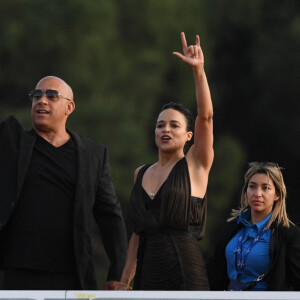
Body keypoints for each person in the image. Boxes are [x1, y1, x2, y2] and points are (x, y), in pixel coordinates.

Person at [0, 76, 127, 290]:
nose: (41, 101)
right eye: (36, 95)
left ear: (70, 107)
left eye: (51, 96)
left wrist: (118, 273)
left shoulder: (93, 154)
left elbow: (110, 216)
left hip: (74, 274)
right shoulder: (12, 144)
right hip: (20, 272)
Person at [117, 32, 214, 291]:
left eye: (173, 125)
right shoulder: (141, 173)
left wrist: (199, 72)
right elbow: (137, 236)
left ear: (188, 135)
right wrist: (125, 283)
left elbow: (205, 117)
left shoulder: (195, 164)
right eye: (160, 125)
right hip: (147, 274)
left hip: (184, 271)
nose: (165, 130)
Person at [208, 162, 300, 291]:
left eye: (265, 188)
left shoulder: (289, 234)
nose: (257, 193)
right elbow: (213, 272)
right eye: (252, 187)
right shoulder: (232, 227)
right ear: (246, 191)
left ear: (277, 194)